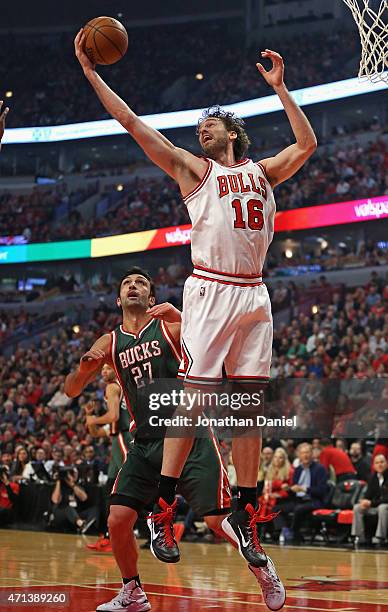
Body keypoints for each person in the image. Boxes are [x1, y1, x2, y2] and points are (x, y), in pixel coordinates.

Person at [74, 26, 316, 577]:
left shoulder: (261, 171)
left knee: (251, 407)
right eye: (199, 126)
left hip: (254, 292)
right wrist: (92, 74)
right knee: (196, 398)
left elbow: (306, 145)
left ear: (232, 132)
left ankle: (248, 512)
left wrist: (281, 88)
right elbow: (134, 124)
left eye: (211, 123)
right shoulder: (193, 169)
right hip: (209, 287)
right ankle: (162, 505)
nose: (201, 128)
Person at [64, 268, 285, 612]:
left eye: (140, 283)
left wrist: (181, 314)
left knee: (216, 520)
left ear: (151, 298)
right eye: (126, 283)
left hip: (188, 435)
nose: (132, 286)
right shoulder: (110, 342)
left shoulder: (170, 327)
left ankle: (262, 569)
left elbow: (210, 342)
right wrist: (84, 368)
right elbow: (72, 389)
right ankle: (133, 592)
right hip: (147, 443)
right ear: (118, 299)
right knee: (117, 519)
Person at [85, 364, 132, 552]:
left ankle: (161, 520)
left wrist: (94, 420)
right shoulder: (122, 387)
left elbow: (113, 415)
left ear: (116, 369)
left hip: (123, 439)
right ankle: (106, 537)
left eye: (107, 368)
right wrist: (90, 417)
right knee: (108, 491)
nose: (104, 372)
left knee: (130, 486)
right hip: (117, 439)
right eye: (102, 370)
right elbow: (96, 433)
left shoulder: (113, 386)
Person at [273, 443, 328, 542]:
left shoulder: (320, 469)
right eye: (302, 453)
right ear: (299, 455)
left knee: (299, 509)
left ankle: (293, 533)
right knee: (276, 508)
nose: (305, 455)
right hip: (298, 500)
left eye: (307, 452)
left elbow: (322, 490)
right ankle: (284, 530)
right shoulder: (298, 470)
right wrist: (288, 489)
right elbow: (294, 491)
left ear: (312, 454)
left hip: (313, 500)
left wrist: (305, 489)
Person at [352, 454, 388, 546]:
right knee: (357, 507)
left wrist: (371, 503)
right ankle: (359, 536)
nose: (379, 465)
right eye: (377, 463)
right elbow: (368, 494)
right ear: (374, 466)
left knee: (383, 507)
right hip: (375, 506)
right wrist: (364, 501)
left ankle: (380, 537)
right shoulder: (373, 478)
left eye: (382, 462)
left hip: (384, 506)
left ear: (386, 464)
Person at [50, 466, 96, 534]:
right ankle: (81, 525)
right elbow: (55, 500)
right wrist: (59, 481)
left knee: (95, 509)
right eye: (70, 473)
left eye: (73, 473)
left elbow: (84, 498)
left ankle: (86, 526)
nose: (72, 475)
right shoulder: (59, 486)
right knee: (68, 508)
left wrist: (72, 484)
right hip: (61, 513)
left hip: (76, 513)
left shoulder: (78, 486)